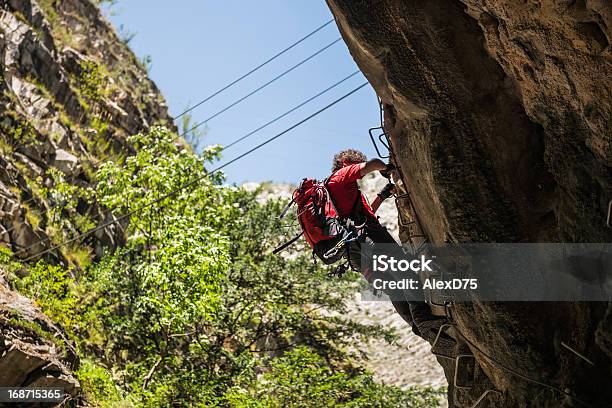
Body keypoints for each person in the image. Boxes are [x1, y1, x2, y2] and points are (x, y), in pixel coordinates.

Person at [326, 149, 450, 343]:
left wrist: (383, 195)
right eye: (355, 163)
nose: (358, 170)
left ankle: (420, 328)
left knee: (393, 288)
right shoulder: (341, 175)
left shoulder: (333, 193)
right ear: (344, 162)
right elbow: (373, 164)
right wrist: (386, 168)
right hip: (370, 240)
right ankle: (422, 319)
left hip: (356, 255)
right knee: (406, 272)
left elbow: (367, 213)